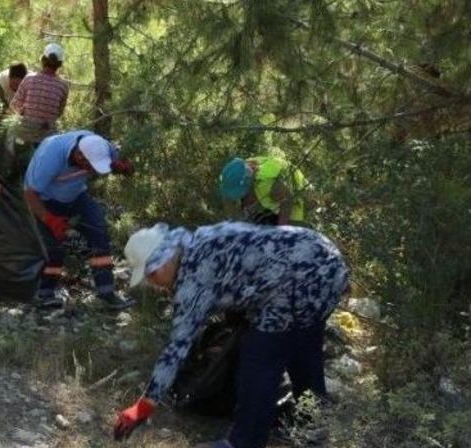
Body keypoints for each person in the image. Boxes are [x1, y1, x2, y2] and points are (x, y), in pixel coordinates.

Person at [114, 222, 349, 448]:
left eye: (150, 277)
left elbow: (176, 349)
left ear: (161, 264)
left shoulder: (193, 278)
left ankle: (244, 442)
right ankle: (315, 427)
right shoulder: (200, 239)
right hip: (326, 260)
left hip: (300, 280)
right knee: (303, 350)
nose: (154, 285)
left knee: (258, 361)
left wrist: (143, 407)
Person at [23, 130, 135, 310]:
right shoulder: (50, 157)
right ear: (79, 156)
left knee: (98, 230)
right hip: (44, 201)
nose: (92, 172)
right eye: (90, 167)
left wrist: (121, 167)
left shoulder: (101, 146)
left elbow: (117, 161)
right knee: (54, 247)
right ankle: (44, 294)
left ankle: (106, 293)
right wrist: (49, 219)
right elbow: (29, 194)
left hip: (76, 195)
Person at [7, 43, 70, 179]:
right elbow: (59, 112)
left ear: (43, 60)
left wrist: (25, 111)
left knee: (12, 138)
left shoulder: (29, 79)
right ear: (59, 64)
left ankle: (13, 175)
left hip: (25, 134)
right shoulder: (64, 86)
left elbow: (14, 106)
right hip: (47, 136)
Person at [219, 156, 307, 225]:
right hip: (269, 197)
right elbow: (228, 201)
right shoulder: (241, 168)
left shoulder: (266, 184)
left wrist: (280, 232)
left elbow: (287, 201)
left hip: (295, 202)